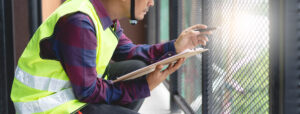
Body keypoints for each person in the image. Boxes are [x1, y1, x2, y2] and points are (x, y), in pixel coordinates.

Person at [10, 0, 211, 113]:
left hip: (71, 92)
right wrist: (144, 87)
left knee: (133, 68)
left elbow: (131, 51)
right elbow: (87, 92)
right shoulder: (79, 23)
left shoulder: (102, 16)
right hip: (44, 108)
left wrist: (176, 46)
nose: (151, 3)